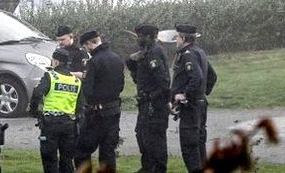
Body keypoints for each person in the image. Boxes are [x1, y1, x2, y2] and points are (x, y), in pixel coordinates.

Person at [75, 30, 124, 172]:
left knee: (82, 151)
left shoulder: (94, 61)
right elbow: (121, 85)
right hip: (114, 110)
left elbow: (88, 91)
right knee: (107, 152)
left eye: (85, 47)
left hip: (96, 113)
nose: (86, 50)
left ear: (90, 44)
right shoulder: (117, 58)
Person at [170, 24, 217, 173]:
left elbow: (196, 77)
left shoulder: (188, 54)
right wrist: (203, 93)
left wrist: (185, 95)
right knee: (199, 144)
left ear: (183, 38)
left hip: (191, 107)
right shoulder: (200, 52)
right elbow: (212, 76)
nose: (176, 39)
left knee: (189, 147)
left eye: (177, 36)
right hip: (200, 104)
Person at [126, 23, 170, 173]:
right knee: (142, 135)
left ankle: (157, 168)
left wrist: (153, 98)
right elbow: (139, 74)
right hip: (146, 103)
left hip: (154, 105)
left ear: (149, 37)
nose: (138, 39)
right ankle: (147, 167)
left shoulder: (154, 53)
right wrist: (131, 60)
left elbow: (163, 82)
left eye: (140, 36)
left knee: (154, 139)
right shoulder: (145, 51)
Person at [29, 48, 82, 173]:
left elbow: (37, 93)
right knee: (67, 160)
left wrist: (34, 111)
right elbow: (80, 105)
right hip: (69, 125)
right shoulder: (76, 81)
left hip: (50, 123)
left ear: (57, 62)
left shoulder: (50, 76)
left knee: (49, 159)